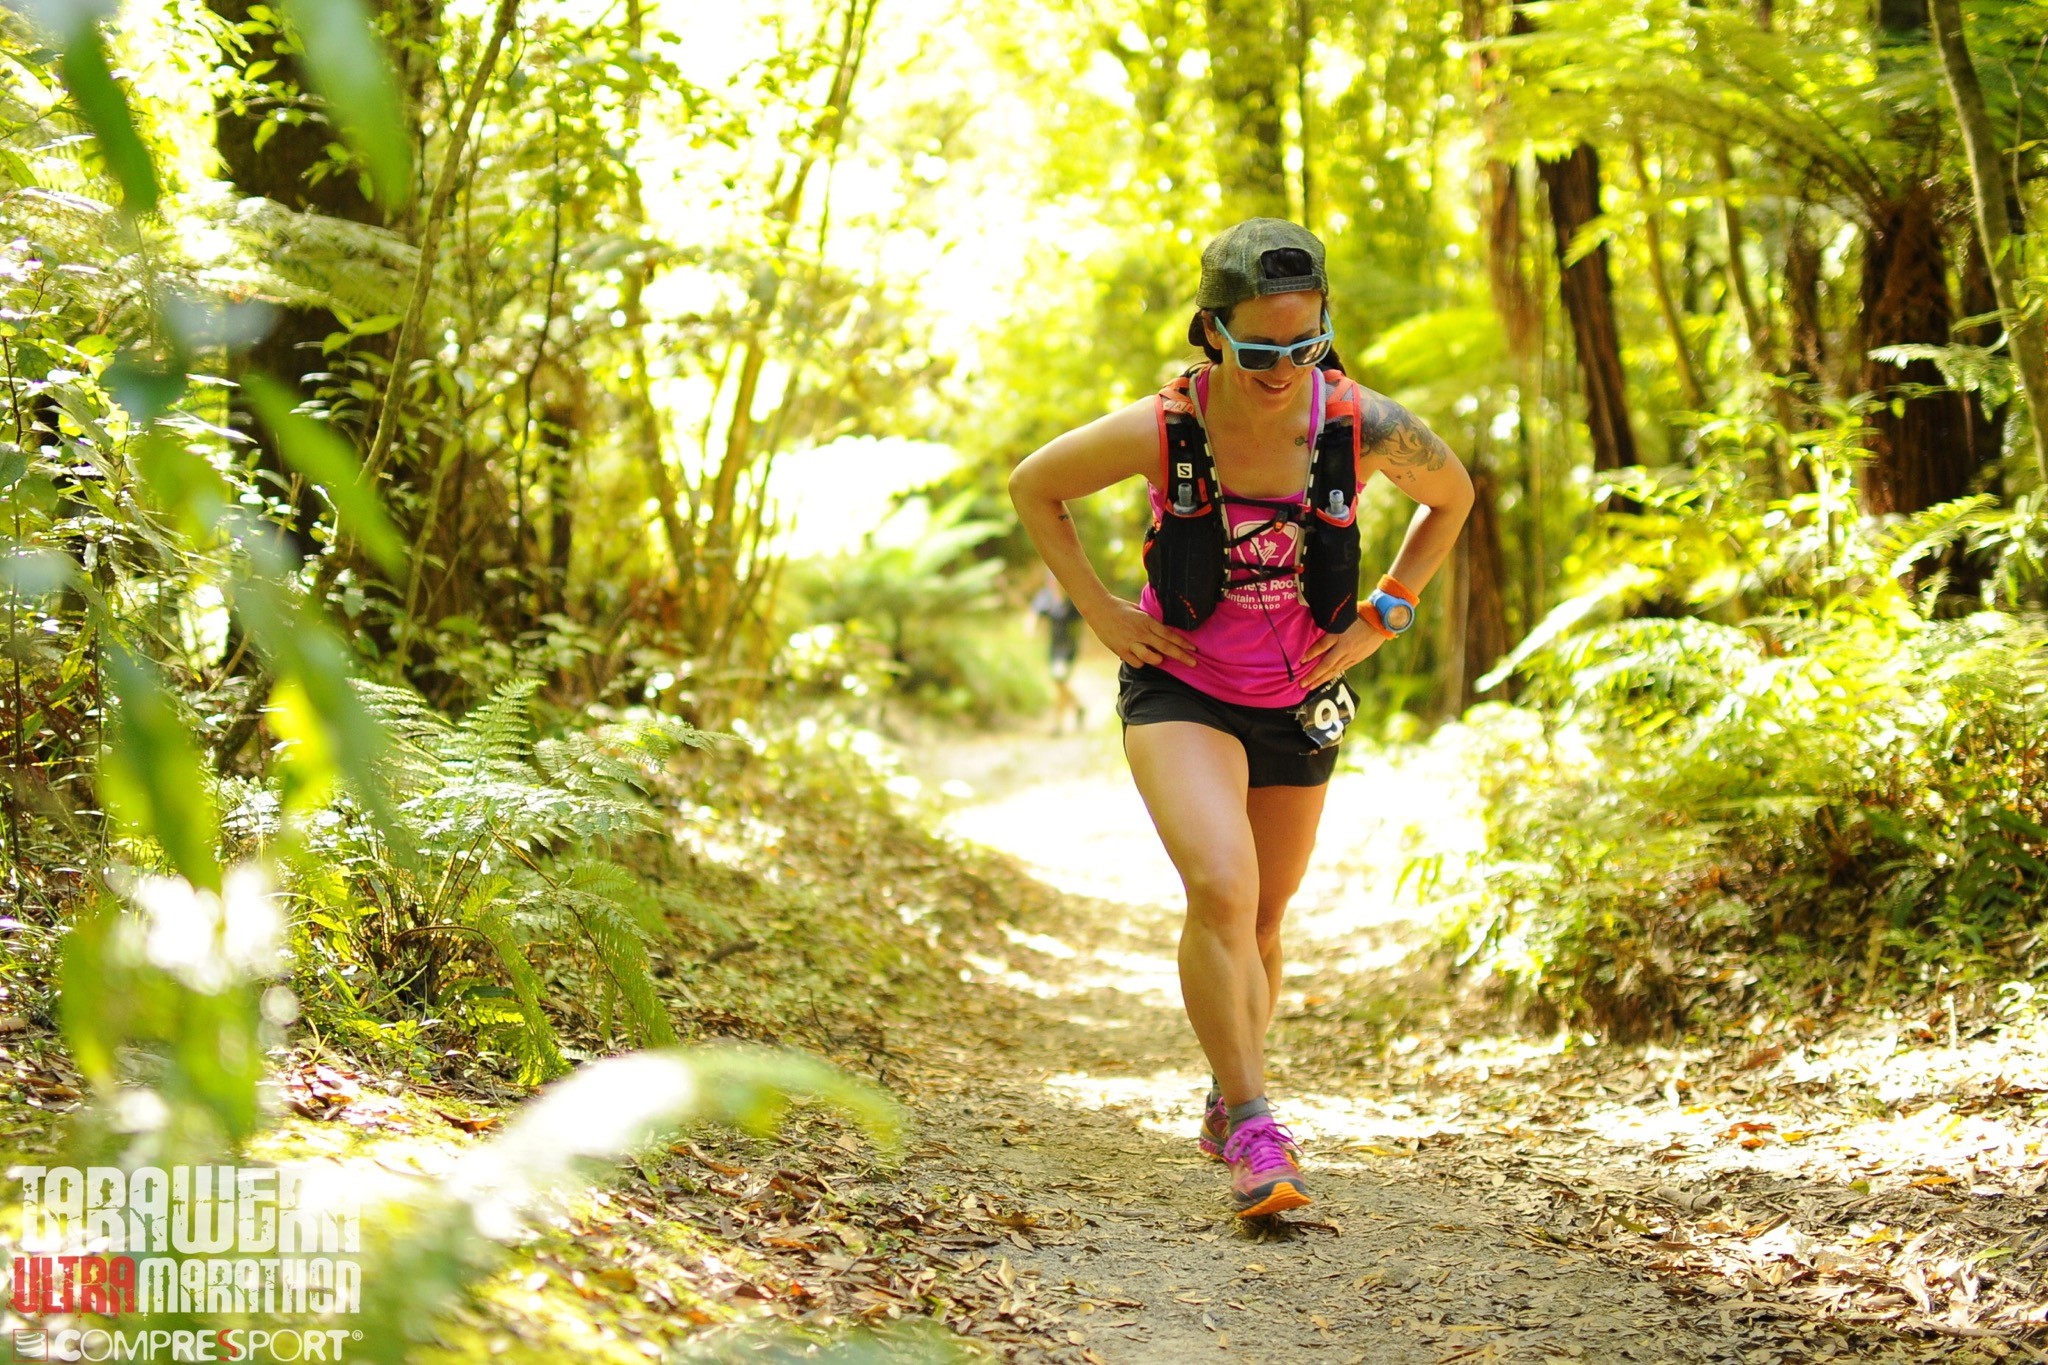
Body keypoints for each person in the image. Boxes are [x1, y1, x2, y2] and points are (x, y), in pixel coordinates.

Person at [1007, 219, 1474, 1218]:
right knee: (1220, 887)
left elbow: (1451, 496)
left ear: (1323, 328)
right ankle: (1258, 1130)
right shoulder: (1161, 427)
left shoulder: (1356, 422)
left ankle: (1225, 1094)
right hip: (1180, 687)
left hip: (1300, 696)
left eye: (1301, 346)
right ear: (1210, 331)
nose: (1280, 369)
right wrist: (1097, 609)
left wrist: (1385, 612)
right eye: (1258, 349)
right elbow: (1032, 485)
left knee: (1260, 919)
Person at [1031, 570, 1083, 733]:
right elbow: (1034, 613)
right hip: (1054, 648)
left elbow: (1085, 618)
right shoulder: (1046, 598)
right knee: (1060, 683)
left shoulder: (1071, 599)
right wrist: (1031, 628)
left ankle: (1057, 724)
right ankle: (1078, 707)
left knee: (1059, 681)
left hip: (1068, 648)